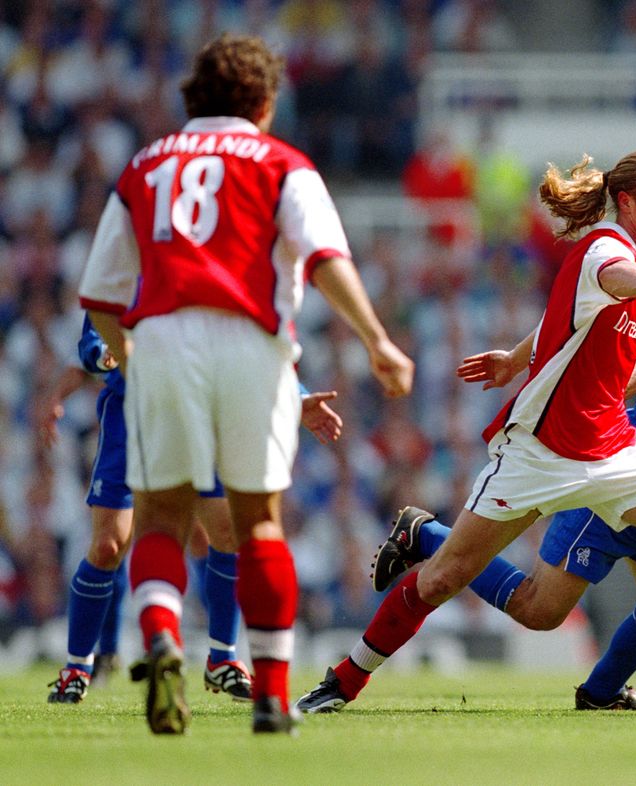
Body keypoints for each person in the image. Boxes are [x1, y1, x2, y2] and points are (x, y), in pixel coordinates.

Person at [293, 149, 636, 712]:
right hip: (539, 451)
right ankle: (343, 681)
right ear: (627, 202)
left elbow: (567, 316)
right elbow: (614, 277)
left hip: (614, 450)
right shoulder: (608, 250)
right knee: (445, 579)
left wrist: (517, 359)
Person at [76, 33, 413, 735]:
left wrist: (133, 360)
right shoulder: (283, 162)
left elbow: (101, 296)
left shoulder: (145, 166)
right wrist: (376, 339)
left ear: (192, 98)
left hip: (162, 337)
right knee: (257, 524)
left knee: (162, 519)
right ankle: (269, 694)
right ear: (264, 101)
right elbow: (323, 258)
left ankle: (163, 636)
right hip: (252, 343)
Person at [296, 317, 636, 713]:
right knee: (540, 612)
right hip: (614, 495)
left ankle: (602, 692)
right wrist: (596, 409)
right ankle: (428, 534)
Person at [41, 316, 344, 705]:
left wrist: (297, 395)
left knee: (226, 532)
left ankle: (222, 656)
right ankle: (77, 666)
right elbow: (92, 335)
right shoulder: (131, 256)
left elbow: (257, 341)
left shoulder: (220, 264)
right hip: (134, 414)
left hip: (202, 411)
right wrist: (102, 355)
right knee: (109, 545)